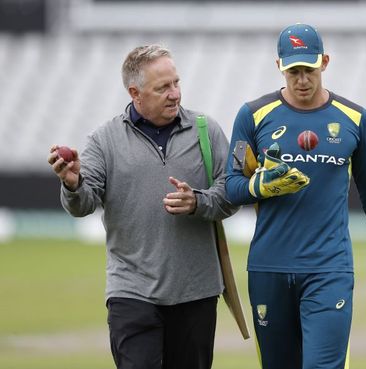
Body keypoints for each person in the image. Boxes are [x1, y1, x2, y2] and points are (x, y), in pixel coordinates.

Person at [225, 23, 366, 369]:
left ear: (325, 61)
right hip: (269, 267)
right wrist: (259, 186)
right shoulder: (253, 115)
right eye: (293, 71)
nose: (302, 79)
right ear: (279, 66)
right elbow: (231, 186)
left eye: (309, 68)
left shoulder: (354, 118)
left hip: (329, 269)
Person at [47, 44, 238, 369]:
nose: (175, 94)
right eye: (163, 87)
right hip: (131, 291)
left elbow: (231, 195)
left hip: (196, 292)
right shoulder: (104, 140)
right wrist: (73, 183)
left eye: (176, 83)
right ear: (135, 93)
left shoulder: (207, 131)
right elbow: (83, 205)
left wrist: (198, 202)